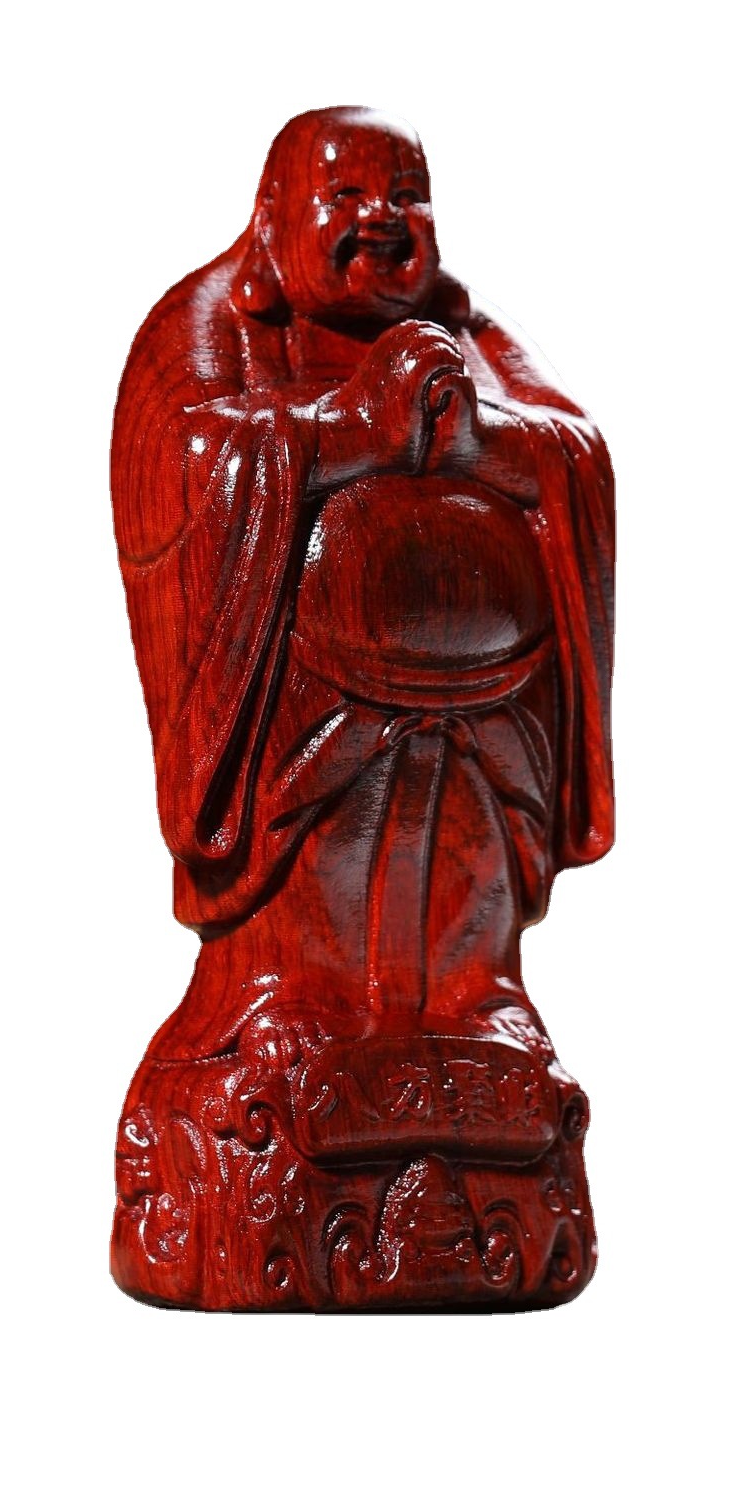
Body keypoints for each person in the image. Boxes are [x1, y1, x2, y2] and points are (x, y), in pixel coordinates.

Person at [111, 106, 614, 1066]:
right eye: (343, 195)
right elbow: (181, 455)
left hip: (494, 692)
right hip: (310, 693)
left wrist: (480, 441)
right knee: (320, 848)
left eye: (407, 196)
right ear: (272, 215)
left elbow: (577, 449)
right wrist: (346, 431)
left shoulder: (468, 334)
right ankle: (287, 990)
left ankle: (475, 995)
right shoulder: (209, 322)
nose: (381, 216)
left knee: (471, 831)